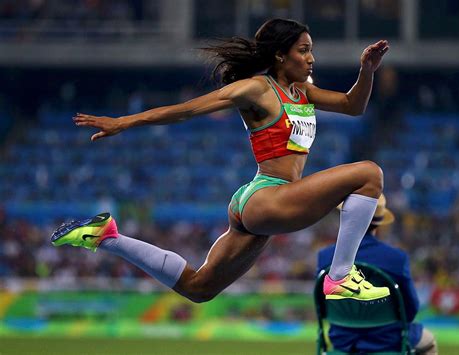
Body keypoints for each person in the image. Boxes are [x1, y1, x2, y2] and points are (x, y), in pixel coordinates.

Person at [51, 18, 391, 304]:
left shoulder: (303, 93)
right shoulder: (257, 89)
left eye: (311, 50)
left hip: (265, 201)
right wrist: (123, 122)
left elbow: (353, 106)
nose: (311, 58)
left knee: (199, 288)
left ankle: (105, 236)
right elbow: (187, 110)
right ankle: (341, 275)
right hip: (266, 197)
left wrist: (367, 70)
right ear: (280, 55)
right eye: (303, 50)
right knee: (368, 174)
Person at [317, 194, 438, 354]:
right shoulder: (396, 258)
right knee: (429, 342)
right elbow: (410, 311)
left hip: (342, 342)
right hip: (388, 342)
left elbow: (322, 308)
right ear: (379, 223)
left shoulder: (325, 256)